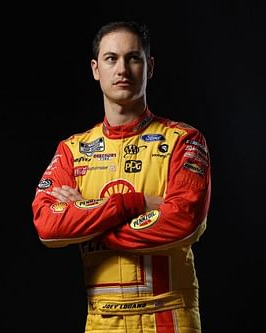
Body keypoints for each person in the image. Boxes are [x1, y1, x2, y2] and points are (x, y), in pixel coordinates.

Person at [31, 20, 211, 333]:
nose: (122, 69)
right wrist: (137, 203)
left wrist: (89, 217)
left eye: (134, 58)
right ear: (95, 69)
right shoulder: (73, 150)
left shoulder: (184, 140)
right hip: (102, 323)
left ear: (149, 66)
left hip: (171, 319)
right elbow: (48, 224)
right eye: (111, 58)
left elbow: (184, 221)